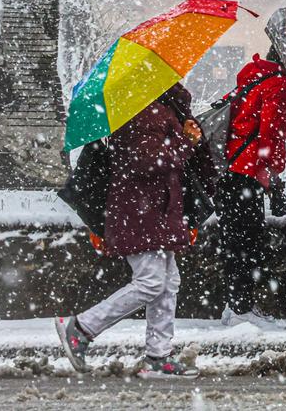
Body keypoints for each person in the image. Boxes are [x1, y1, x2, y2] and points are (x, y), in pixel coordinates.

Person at [55, 83, 201, 378]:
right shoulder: (142, 111)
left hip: (153, 209)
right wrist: (186, 142)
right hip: (141, 211)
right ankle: (81, 328)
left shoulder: (159, 106)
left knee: (168, 281)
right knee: (150, 282)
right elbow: (148, 162)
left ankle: (159, 356)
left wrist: (184, 132)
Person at [217, 49, 286, 328]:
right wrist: (272, 173)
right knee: (248, 242)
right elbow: (270, 133)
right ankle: (242, 308)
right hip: (248, 172)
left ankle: (233, 303)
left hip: (229, 169)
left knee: (233, 240)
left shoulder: (252, 77)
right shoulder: (277, 84)